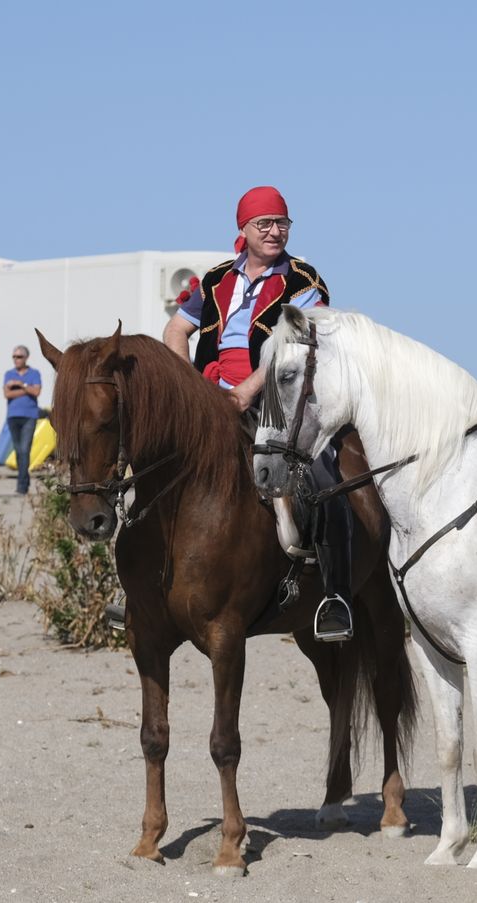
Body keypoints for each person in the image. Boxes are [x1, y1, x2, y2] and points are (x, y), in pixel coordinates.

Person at [161, 186, 352, 642]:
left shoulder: (304, 281)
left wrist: (247, 391)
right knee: (154, 469)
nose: (274, 231)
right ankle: (144, 588)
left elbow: (299, 343)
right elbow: (175, 329)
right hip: (212, 398)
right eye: (263, 224)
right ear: (243, 229)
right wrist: (189, 387)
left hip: (279, 398)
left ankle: (335, 596)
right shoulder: (214, 280)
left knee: (325, 477)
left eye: (282, 223)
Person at [2, 345, 44, 495]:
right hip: (13, 417)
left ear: (26, 358)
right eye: (14, 356)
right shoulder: (9, 374)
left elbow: (37, 391)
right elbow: (7, 394)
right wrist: (27, 390)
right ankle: (24, 481)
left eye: (19, 356)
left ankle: (22, 485)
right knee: (18, 451)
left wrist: (20, 385)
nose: (16, 359)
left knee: (25, 450)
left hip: (29, 417)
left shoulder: (34, 373)